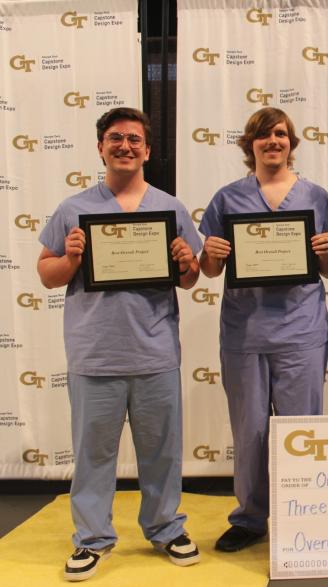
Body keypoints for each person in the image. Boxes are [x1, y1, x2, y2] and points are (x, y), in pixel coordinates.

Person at [37, 107, 202, 582]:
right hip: (95, 354)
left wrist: (185, 260)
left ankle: (166, 528)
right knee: (93, 453)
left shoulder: (170, 208)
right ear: (100, 147)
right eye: (115, 138)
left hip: (155, 353)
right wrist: (69, 258)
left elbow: (190, 279)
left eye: (134, 139)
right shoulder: (74, 209)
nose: (125, 146)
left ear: (147, 150)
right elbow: (46, 274)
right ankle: (91, 539)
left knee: (162, 452)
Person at [199, 107, 328, 552]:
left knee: (303, 431)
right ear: (250, 144)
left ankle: (306, 512)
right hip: (246, 332)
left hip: (301, 329)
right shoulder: (227, 199)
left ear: (291, 142)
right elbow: (207, 269)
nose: (272, 141)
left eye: (280, 133)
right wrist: (214, 253)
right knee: (251, 429)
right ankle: (250, 518)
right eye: (263, 135)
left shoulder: (316, 197)